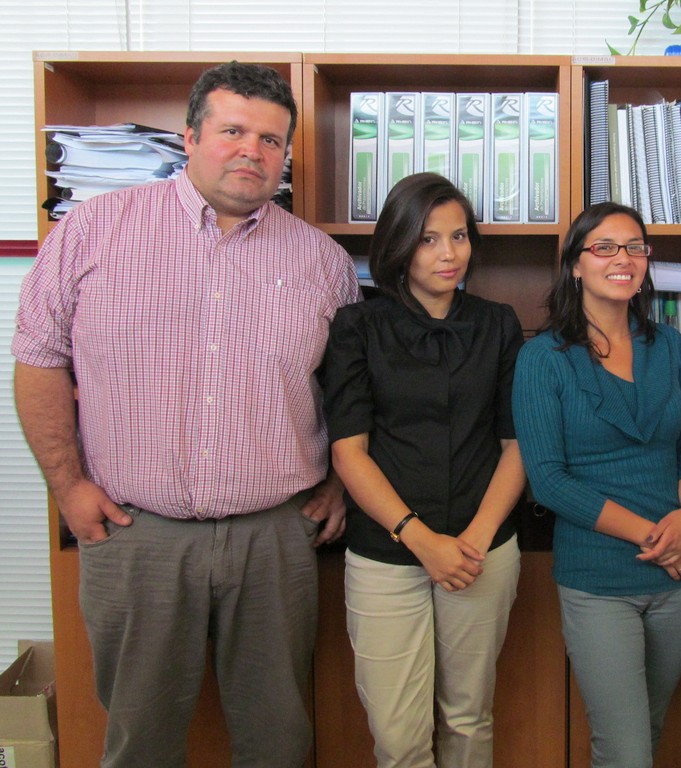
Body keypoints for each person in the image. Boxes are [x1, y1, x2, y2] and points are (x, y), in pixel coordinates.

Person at [12, 61, 360, 768]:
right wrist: (68, 486)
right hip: (136, 535)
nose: (251, 151)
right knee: (140, 742)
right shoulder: (92, 231)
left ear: (285, 155)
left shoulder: (322, 262)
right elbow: (39, 360)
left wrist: (339, 484)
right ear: (191, 137)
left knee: (278, 739)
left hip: (274, 539)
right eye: (233, 131)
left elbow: (353, 390)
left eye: (270, 140)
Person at [322, 172, 525, 768]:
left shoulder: (498, 324)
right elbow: (349, 451)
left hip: (480, 548)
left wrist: (476, 539)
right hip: (387, 552)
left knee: (468, 718)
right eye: (429, 239)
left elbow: (516, 445)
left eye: (459, 236)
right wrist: (420, 539)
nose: (448, 253)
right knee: (398, 734)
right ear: (399, 245)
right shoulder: (358, 326)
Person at [512, 202, 681, 768]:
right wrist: (655, 536)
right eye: (604, 247)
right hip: (599, 578)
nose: (623, 258)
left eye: (635, 247)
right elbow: (548, 481)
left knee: (651, 726)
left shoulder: (668, 344)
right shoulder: (542, 358)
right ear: (575, 264)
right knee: (625, 749)